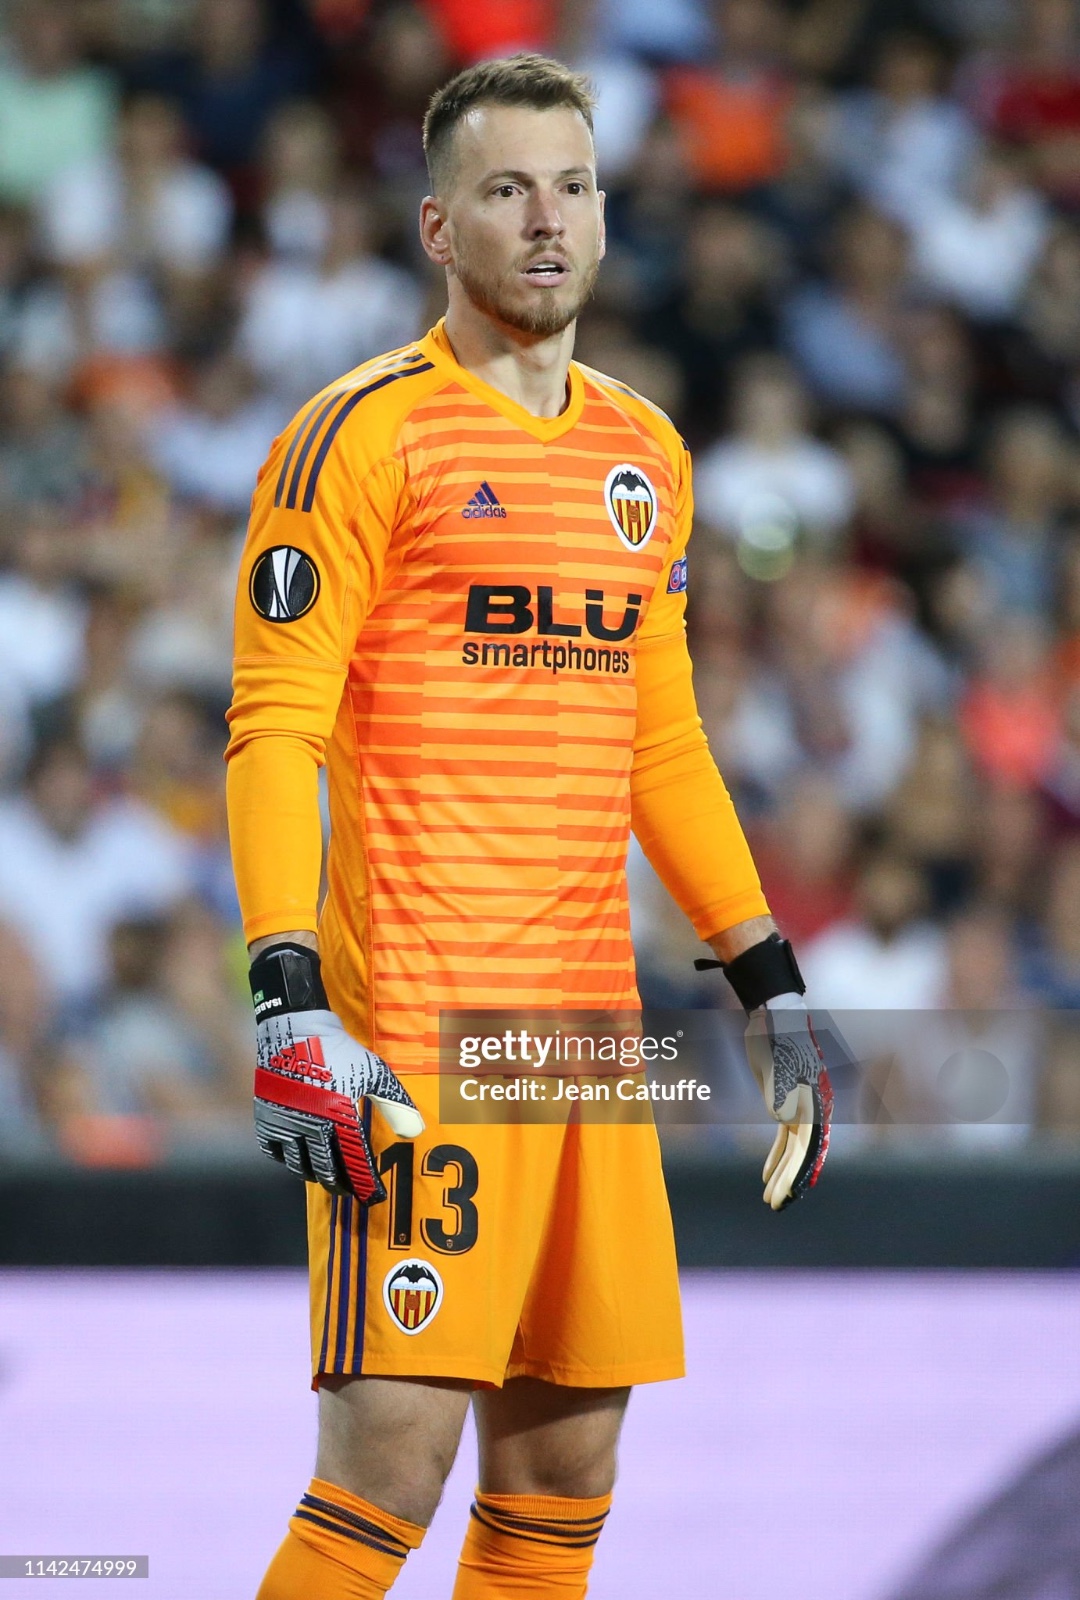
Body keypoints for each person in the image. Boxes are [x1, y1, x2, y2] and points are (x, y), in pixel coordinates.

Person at [226, 54, 832, 1600]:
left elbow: (664, 743)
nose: (546, 220)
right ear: (438, 225)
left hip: (575, 1040)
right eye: (507, 189)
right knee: (385, 1479)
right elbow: (274, 731)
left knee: (564, 1486)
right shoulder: (354, 438)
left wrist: (769, 985)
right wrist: (284, 1000)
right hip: (413, 1031)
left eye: (573, 186)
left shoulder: (648, 455)